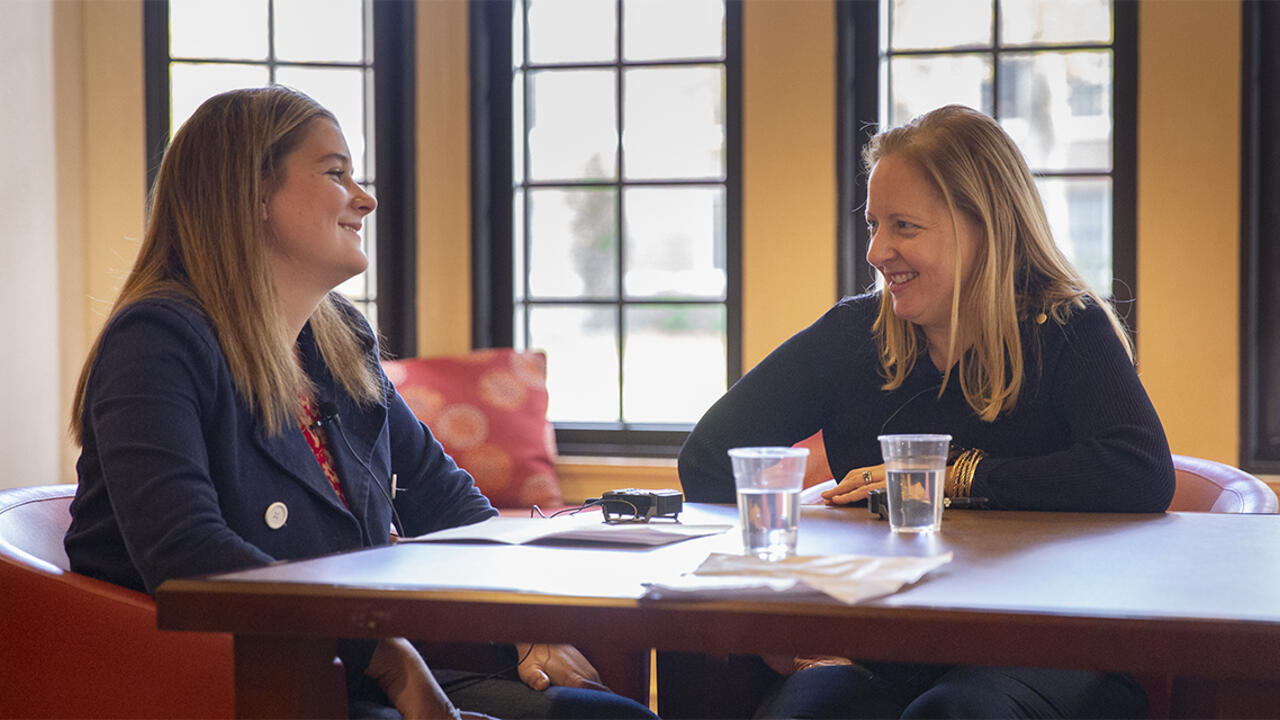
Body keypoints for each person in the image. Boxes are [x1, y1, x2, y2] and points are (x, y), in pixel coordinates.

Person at [65, 86, 655, 720]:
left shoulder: (336, 338)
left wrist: (522, 621)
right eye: (336, 172)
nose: (366, 198)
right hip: (235, 687)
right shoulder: (157, 341)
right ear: (254, 195)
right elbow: (188, 559)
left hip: (346, 673)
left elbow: (444, 499)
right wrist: (388, 654)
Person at [676, 105, 1175, 718]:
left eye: (905, 226)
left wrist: (945, 481)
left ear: (985, 227)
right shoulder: (854, 335)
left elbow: (1138, 471)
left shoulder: (1067, 325)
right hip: (880, 647)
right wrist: (793, 597)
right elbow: (708, 460)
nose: (877, 251)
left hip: (1041, 644)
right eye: (874, 225)